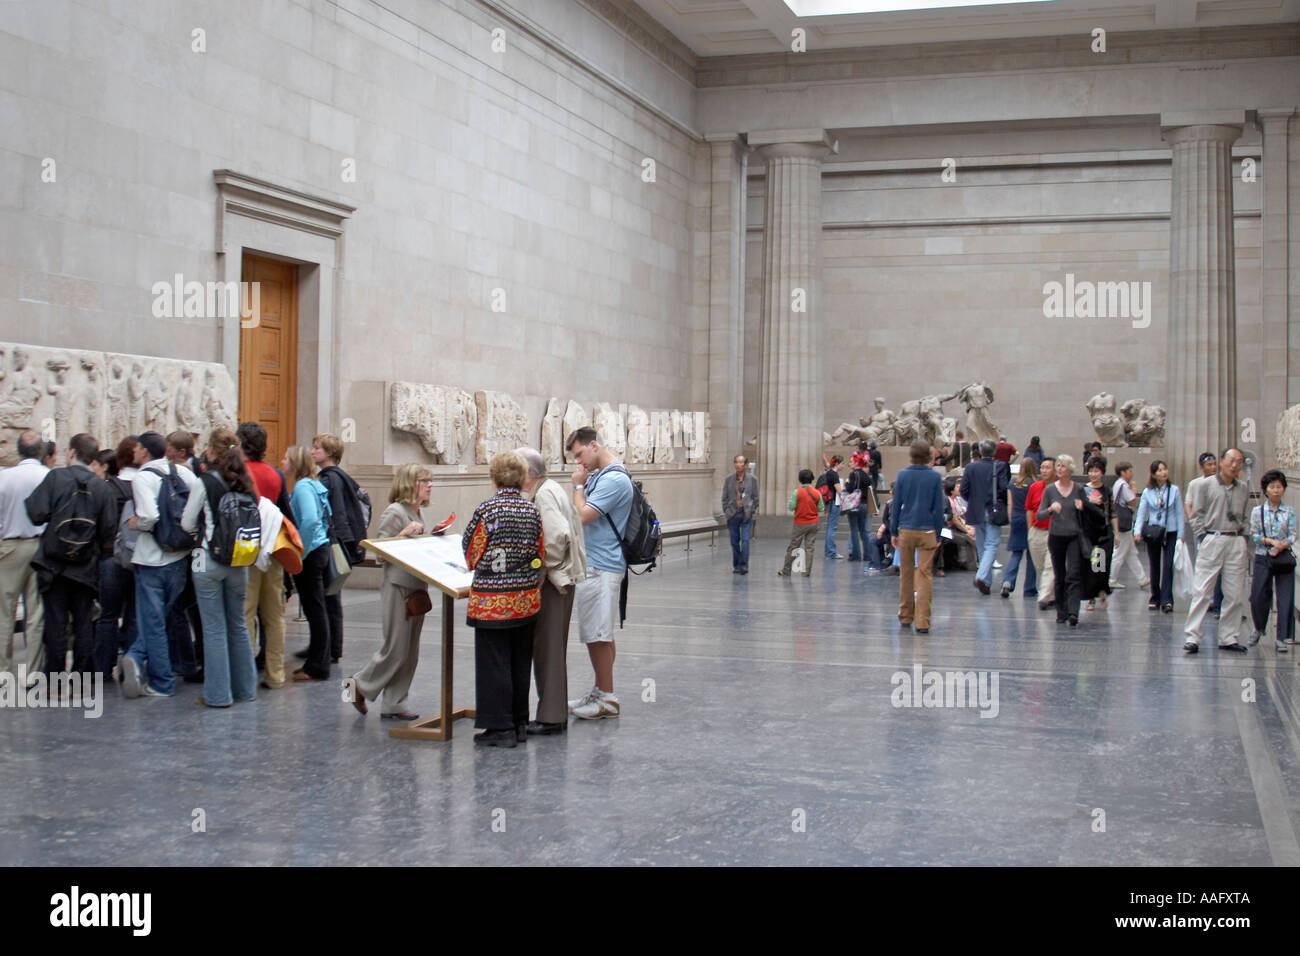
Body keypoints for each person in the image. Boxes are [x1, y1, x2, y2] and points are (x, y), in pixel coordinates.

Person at [463, 452, 544, 747]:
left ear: (494, 476)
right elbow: (540, 555)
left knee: (494, 662)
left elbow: (472, 554)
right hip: (525, 600)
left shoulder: (487, 510)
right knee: (520, 661)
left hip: (492, 603)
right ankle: (520, 722)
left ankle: (500, 727)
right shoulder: (531, 510)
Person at [24, 433, 116, 679]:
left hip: (54, 563)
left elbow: (35, 513)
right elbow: (109, 530)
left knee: (55, 622)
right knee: (83, 621)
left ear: (72, 453)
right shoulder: (100, 486)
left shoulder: (56, 477)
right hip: (86, 564)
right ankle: (82, 676)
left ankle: (54, 677)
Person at [120, 431, 203, 699]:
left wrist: (134, 523)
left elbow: (148, 517)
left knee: (152, 622)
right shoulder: (186, 474)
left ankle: (161, 681)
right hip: (179, 557)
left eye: (137, 449)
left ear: (144, 451)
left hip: (151, 560)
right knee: (163, 617)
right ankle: (139, 658)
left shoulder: (143, 477)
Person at [348, 463, 434, 720]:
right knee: (395, 649)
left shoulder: (416, 511)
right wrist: (403, 534)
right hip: (398, 586)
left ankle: (395, 703)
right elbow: (381, 555)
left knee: (410, 652)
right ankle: (358, 685)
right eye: (424, 480)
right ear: (410, 483)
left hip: (416, 585)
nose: (430, 485)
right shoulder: (395, 512)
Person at [516, 447, 587, 735]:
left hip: (553, 582)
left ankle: (551, 717)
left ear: (529, 474)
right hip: (562, 580)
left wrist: (541, 567)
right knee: (551, 649)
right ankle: (551, 712)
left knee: (548, 650)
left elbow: (557, 535)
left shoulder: (544, 493)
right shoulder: (551, 488)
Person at [187, 428, 259, 707]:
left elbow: (186, 522)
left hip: (208, 558)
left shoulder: (204, 481)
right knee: (239, 624)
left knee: (214, 628)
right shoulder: (245, 480)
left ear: (213, 451)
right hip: (239, 560)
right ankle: (245, 689)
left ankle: (218, 694)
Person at [566, 427, 632, 720]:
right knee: (599, 631)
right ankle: (600, 689)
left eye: (580, 454)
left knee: (598, 634)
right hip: (595, 562)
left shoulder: (615, 479)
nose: (579, 463)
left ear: (594, 445)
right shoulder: (603, 477)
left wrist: (577, 487)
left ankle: (607, 698)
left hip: (602, 564)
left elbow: (583, 515)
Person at [236, 422, 293, 689]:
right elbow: (284, 511)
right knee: (275, 614)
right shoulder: (275, 474)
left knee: (246, 612)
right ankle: (276, 673)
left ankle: (246, 673)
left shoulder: (238, 472)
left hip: (246, 548)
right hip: (272, 547)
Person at [1181, 448, 1249, 654]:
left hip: (1235, 540)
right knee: (1202, 590)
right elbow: (1196, 513)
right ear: (1221, 462)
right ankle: (1192, 636)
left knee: (1234, 593)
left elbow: (1244, 514)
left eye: (1239, 461)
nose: (1235, 465)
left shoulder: (1243, 487)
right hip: (1213, 537)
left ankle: (1228, 637)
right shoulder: (1205, 485)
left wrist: (1244, 536)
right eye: (1231, 460)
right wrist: (1202, 535)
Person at [313, 433, 366, 664]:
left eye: (317, 448)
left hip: (332, 542)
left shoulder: (327, 480)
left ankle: (328, 648)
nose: (313, 451)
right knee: (332, 596)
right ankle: (333, 646)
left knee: (327, 597)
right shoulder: (342, 477)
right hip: (344, 542)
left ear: (329, 453)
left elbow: (331, 513)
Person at [0, 430, 49, 681]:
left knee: (4, 613)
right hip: (40, 547)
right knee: (36, 613)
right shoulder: (49, 476)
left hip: (9, 547)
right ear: (41, 451)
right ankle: (31, 673)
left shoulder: (4, 477)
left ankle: (2, 672)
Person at [284, 445, 334, 681]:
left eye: (286, 458)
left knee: (315, 610)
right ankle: (316, 660)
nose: (282, 461)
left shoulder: (303, 486)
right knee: (318, 608)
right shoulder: (314, 484)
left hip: (311, 553)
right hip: (320, 548)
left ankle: (317, 666)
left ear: (294, 463)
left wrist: (299, 549)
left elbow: (311, 520)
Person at [92, 438, 137, 679]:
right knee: (132, 613)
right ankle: (129, 666)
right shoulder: (144, 485)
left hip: (110, 555)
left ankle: (101, 667)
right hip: (138, 556)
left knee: (108, 615)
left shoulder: (107, 487)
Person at [889, 440, 946, 633]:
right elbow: (938, 508)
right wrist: (938, 533)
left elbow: (896, 505)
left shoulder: (903, 475)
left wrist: (893, 531)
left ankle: (905, 615)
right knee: (924, 575)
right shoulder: (934, 477)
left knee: (905, 574)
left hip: (906, 528)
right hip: (928, 530)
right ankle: (922, 621)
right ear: (929, 456)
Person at [1248, 469, 1296, 652]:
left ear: (1283, 489)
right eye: (1272, 487)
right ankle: (1259, 627)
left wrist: (1282, 545)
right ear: (1266, 490)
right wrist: (1270, 542)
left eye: (1279, 487)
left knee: (1285, 597)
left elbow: (1293, 534)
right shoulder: (1257, 511)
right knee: (1258, 595)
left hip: (1283, 557)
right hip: (1263, 555)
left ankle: (1282, 637)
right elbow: (1254, 534)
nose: (1276, 490)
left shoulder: (1289, 512)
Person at [1038, 454, 1087, 627]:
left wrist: (1083, 507)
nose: (1059, 469)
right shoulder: (1050, 490)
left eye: (1062, 466)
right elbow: (1040, 514)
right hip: (1056, 536)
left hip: (1074, 535)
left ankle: (1073, 612)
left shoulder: (1078, 488)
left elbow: (1087, 510)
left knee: (1073, 574)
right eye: (1057, 466)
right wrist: (1051, 509)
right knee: (1060, 575)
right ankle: (1061, 611)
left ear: (1069, 469)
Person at [960, 439, 1010, 596]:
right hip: (992, 509)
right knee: (992, 544)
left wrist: (973, 501)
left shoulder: (971, 467)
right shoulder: (1000, 466)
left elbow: (964, 490)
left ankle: (986, 582)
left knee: (982, 546)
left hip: (976, 510)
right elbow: (1003, 488)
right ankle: (981, 576)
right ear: (995, 452)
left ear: (981, 452)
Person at [1134, 459, 1184, 614]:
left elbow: (1180, 512)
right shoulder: (1148, 492)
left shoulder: (1174, 490)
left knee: (1168, 565)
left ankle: (1167, 599)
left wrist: (1181, 534)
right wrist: (1137, 530)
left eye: (1165, 469)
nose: (1163, 472)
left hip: (1171, 530)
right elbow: (1142, 511)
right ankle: (1155, 596)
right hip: (1154, 530)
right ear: (1154, 474)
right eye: (1160, 470)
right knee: (1154, 564)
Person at [1185, 451, 1224, 617]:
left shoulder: (1223, 483)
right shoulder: (1195, 484)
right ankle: (1205, 599)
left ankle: (1218, 600)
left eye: (1214, 464)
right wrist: (1195, 525)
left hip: (1219, 529)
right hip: (1202, 530)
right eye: (1209, 464)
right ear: (1201, 467)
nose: (1213, 467)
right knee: (1203, 564)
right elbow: (1189, 504)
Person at [1109, 461, 1150, 591]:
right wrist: (1133, 488)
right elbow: (1132, 500)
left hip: (1122, 521)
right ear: (1123, 472)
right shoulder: (1124, 485)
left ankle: (1142, 579)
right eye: (1130, 471)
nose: (1132, 473)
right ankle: (1111, 578)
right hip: (1123, 523)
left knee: (1131, 553)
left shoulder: (1117, 484)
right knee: (1120, 552)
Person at [1080, 454, 1114, 612]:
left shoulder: (1107, 490)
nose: (1093, 474)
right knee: (1093, 565)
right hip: (1089, 533)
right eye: (1091, 471)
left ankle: (1101, 590)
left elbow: (1111, 512)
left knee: (1102, 565)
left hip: (1103, 533)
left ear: (1102, 472)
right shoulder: (1083, 490)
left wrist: (1116, 533)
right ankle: (1092, 597)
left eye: (1096, 471)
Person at [1002, 457, 1038, 598]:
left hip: (1016, 518)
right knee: (1031, 555)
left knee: (1016, 554)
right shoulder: (1035, 484)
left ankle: (1007, 581)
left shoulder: (1012, 483)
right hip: (1030, 519)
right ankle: (1029, 588)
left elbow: (1010, 504)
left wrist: (1011, 520)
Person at [779, 468, 824, 577]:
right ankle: (806, 572)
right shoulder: (817, 493)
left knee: (793, 546)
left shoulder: (797, 492)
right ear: (812, 479)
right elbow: (821, 508)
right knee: (809, 547)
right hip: (813, 523)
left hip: (800, 523)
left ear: (800, 479)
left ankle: (786, 570)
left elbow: (791, 507)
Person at [722, 454, 758, 574]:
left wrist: (751, 509)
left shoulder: (752, 479)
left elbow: (755, 497)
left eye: (741, 462)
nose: (739, 465)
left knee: (746, 540)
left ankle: (744, 565)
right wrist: (726, 511)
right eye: (736, 462)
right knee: (734, 541)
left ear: (746, 465)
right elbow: (724, 497)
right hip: (732, 514)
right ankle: (737, 564)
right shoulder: (729, 479)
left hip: (746, 514)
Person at [844, 452, 873, 563]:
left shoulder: (853, 474)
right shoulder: (866, 475)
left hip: (855, 504)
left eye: (851, 461)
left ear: (856, 463)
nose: (849, 463)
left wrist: (847, 483)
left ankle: (856, 555)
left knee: (854, 530)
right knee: (864, 531)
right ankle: (868, 555)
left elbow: (851, 489)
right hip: (865, 504)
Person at [822, 455, 844, 559]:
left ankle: (828, 551)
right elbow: (839, 491)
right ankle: (831, 552)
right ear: (837, 463)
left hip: (829, 501)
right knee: (832, 527)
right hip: (834, 502)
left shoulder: (828, 473)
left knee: (829, 527)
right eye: (842, 463)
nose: (843, 465)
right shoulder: (834, 474)